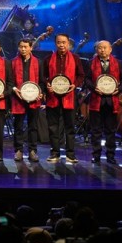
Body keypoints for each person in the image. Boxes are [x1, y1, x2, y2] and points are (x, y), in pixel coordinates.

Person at [43, 33, 85, 163]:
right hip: (52, 97)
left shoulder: (75, 58)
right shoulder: (48, 58)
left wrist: (75, 85)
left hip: (69, 97)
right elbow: (43, 76)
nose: (61, 45)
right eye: (59, 42)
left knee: (70, 126)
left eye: (64, 42)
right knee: (53, 127)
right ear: (55, 43)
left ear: (68, 43)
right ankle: (54, 153)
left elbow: (81, 75)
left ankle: (70, 154)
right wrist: (47, 85)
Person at [85, 40, 122, 165]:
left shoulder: (118, 63)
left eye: (104, 47)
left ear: (110, 49)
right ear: (96, 50)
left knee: (111, 131)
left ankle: (110, 156)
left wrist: (119, 89)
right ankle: (96, 155)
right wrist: (94, 88)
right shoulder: (91, 63)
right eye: (99, 48)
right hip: (96, 100)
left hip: (111, 101)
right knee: (96, 131)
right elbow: (87, 79)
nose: (102, 50)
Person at [11, 38, 45, 162]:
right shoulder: (13, 62)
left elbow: (42, 81)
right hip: (18, 98)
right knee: (18, 126)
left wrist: (41, 92)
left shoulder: (38, 62)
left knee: (33, 126)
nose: (23, 49)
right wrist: (14, 89)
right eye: (21, 46)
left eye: (26, 47)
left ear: (31, 48)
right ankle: (18, 150)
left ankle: (32, 150)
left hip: (34, 98)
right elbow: (10, 81)